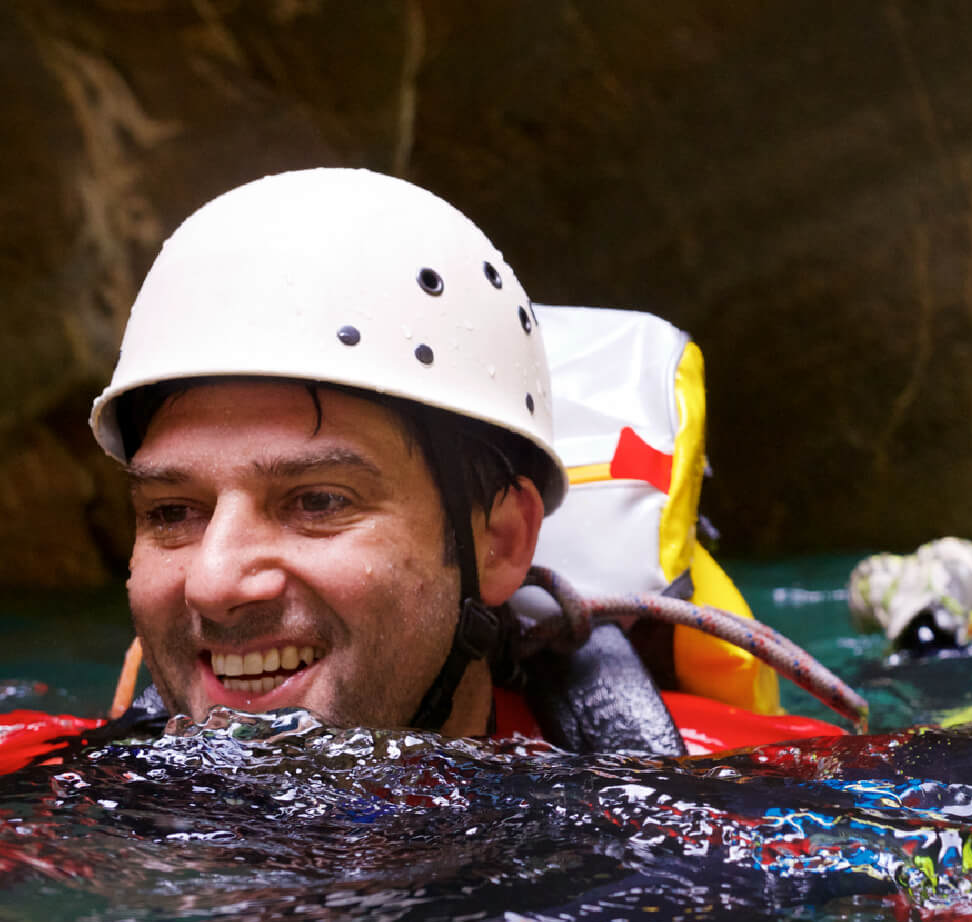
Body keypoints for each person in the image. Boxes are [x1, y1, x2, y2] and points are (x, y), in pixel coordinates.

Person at [70, 167, 845, 756]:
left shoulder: (748, 804)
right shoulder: (39, 791)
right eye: (171, 513)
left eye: (318, 502)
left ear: (500, 541)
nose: (213, 582)